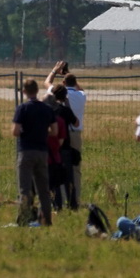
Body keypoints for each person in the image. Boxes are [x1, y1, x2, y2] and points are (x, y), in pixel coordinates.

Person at [12, 78, 57, 226]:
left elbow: (15, 131)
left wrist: (26, 131)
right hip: (42, 152)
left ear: (24, 92)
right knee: (43, 189)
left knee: (25, 189)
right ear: (37, 91)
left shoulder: (22, 108)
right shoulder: (47, 109)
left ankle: (24, 219)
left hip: (26, 151)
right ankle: (46, 220)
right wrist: (42, 132)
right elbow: (54, 131)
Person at [47, 62, 86, 208]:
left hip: (58, 132)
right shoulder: (81, 95)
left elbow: (47, 83)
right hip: (75, 134)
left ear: (63, 83)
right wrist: (67, 74)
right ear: (75, 82)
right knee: (75, 167)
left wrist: (54, 71)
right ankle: (75, 198)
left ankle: (59, 198)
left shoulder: (57, 93)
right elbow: (80, 89)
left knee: (57, 164)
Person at [46, 85, 78, 210]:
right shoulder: (65, 110)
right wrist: (68, 106)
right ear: (65, 97)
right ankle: (72, 204)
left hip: (52, 148)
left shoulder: (49, 110)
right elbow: (76, 123)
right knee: (68, 178)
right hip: (65, 148)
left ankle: (56, 205)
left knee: (54, 179)